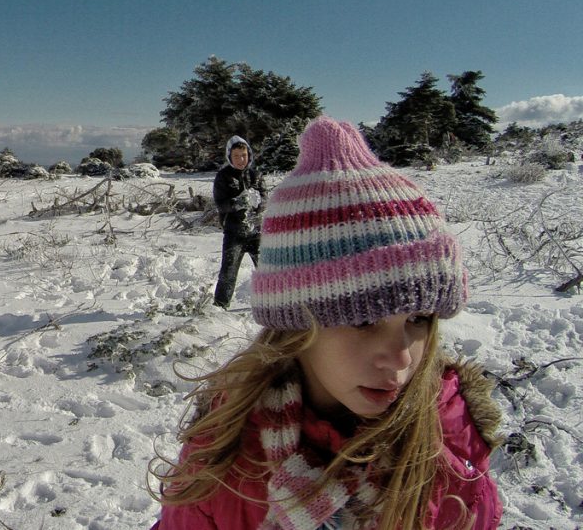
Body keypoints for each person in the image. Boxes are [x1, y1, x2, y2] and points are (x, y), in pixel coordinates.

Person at [150, 116, 503, 529]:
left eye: (419, 318)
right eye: (365, 319)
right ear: (295, 327)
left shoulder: (451, 439)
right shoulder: (225, 463)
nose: (401, 358)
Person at [212, 136, 267, 309]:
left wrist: (259, 203)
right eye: (236, 156)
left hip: (256, 232)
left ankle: (271, 302)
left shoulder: (255, 175)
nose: (241, 159)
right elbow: (220, 204)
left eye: (243, 155)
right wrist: (237, 203)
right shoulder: (223, 176)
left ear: (249, 155)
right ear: (230, 156)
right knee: (228, 271)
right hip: (234, 232)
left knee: (267, 269)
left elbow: (265, 198)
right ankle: (220, 306)